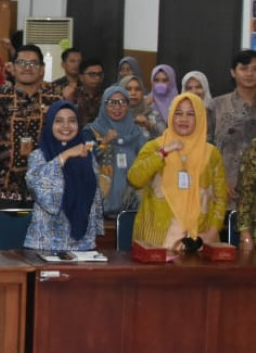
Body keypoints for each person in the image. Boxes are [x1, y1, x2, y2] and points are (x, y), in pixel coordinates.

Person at [128, 93, 226, 251]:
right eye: (178, 113)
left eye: (190, 114)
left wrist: (211, 234)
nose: (183, 119)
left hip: (200, 240)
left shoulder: (211, 154)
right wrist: (164, 151)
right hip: (157, 240)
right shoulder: (154, 147)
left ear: (200, 117)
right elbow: (135, 178)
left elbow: (220, 198)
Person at [0, 45, 63, 210]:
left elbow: (63, 146)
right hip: (4, 189)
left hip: (45, 190)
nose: (27, 67)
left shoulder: (55, 101)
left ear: (41, 69)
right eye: (22, 62)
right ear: (12, 67)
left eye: (33, 63)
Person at [24, 101, 105, 251]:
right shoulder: (39, 156)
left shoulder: (87, 157)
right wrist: (64, 156)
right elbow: (41, 192)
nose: (66, 126)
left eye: (72, 121)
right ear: (49, 125)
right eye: (59, 121)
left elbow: (94, 198)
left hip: (83, 242)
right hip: (46, 242)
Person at [86, 85, 146, 217]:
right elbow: (84, 160)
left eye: (122, 102)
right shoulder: (91, 132)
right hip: (97, 211)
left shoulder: (136, 133)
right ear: (103, 105)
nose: (117, 108)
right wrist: (104, 142)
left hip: (131, 208)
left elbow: (145, 165)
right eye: (111, 103)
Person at [207, 50, 256, 201]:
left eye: (254, 69)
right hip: (224, 189)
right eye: (244, 68)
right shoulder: (217, 105)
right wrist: (218, 180)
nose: (249, 73)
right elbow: (206, 147)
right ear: (233, 72)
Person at [71, 59, 105, 124]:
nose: (97, 78)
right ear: (81, 77)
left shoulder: (107, 96)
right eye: (92, 74)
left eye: (100, 74)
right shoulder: (73, 95)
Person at [148, 65, 178, 131]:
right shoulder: (146, 101)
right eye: (156, 80)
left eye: (165, 80)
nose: (160, 84)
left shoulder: (179, 103)